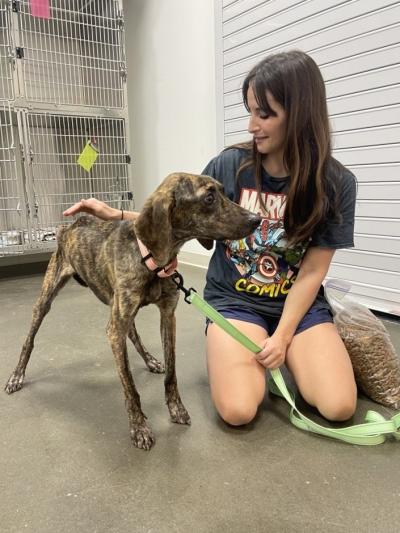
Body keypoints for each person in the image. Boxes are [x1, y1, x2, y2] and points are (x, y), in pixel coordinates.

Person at [64, 50, 357, 428]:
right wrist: (118, 215)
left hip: (297, 308)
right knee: (238, 411)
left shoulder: (335, 183)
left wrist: (283, 337)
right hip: (234, 302)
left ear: (300, 114)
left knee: (338, 407)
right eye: (249, 111)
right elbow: (177, 219)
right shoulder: (230, 165)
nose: (252, 125)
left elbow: (314, 270)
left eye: (265, 114)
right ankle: (249, 357)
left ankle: (312, 352)